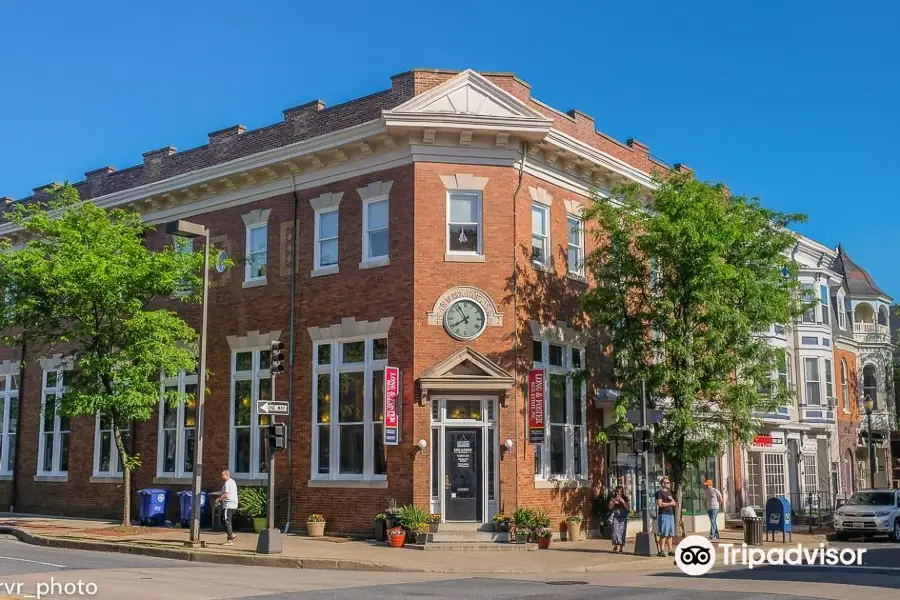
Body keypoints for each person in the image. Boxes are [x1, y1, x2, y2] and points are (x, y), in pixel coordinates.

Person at [214, 469, 238, 546]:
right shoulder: (231, 482)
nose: (221, 477)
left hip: (229, 504)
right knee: (223, 519)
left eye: (222, 475)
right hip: (231, 503)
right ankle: (231, 534)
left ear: (227, 475)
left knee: (226, 520)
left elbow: (226, 494)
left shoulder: (228, 482)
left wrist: (218, 499)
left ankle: (229, 540)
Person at [655, 476, 676, 557]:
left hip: (670, 514)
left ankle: (670, 550)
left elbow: (674, 503)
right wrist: (670, 503)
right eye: (667, 483)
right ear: (663, 484)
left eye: (669, 482)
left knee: (670, 534)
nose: (669, 484)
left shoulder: (669, 492)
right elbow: (660, 504)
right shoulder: (659, 492)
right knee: (664, 533)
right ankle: (661, 550)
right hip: (663, 514)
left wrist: (672, 501)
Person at [608, 485, 630, 554]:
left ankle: (621, 548)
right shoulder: (613, 498)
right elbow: (610, 507)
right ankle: (615, 545)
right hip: (616, 517)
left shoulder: (625, 498)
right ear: (616, 492)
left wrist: (623, 502)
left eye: (621, 492)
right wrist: (614, 501)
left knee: (622, 532)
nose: (619, 493)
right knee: (615, 532)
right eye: (618, 491)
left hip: (623, 517)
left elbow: (628, 508)